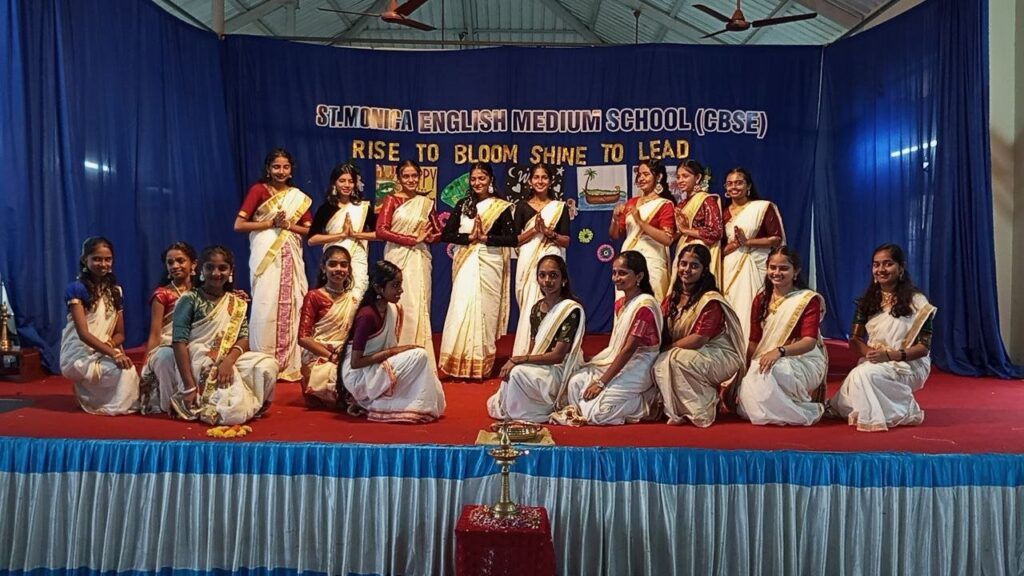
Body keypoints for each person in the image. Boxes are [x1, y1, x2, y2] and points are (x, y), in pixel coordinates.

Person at [830, 243, 937, 431]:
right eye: (876, 264)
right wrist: (871, 354)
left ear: (900, 268)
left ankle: (903, 410)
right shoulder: (867, 302)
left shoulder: (917, 302)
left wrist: (889, 356)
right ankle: (894, 408)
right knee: (857, 382)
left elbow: (923, 348)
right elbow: (855, 340)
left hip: (909, 364)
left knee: (863, 375)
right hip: (875, 360)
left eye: (888, 264)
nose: (881, 269)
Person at [168, 246, 279, 425]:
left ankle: (250, 403)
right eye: (210, 267)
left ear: (231, 271)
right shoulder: (189, 299)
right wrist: (189, 387)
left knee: (267, 364)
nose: (216, 273)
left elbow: (243, 337)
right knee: (232, 412)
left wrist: (228, 362)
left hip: (229, 357)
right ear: (201, 270)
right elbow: (179, 341)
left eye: (222, 268)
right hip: (198, 358)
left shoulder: (237, 302)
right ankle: (217, 402)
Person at [551, 251, 662, 426]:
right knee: (575, 383)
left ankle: (647, 402)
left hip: (640, 363)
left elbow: (628, 349)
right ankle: (592, 405)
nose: (616, 278)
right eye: (614, 272)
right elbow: (617, 346)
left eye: (622, 273)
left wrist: (601, 383)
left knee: (598, 414)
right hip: (617, 358)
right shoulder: (620, 304)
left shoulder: (644, 306)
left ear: (639, 276)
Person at [233, 148, 312, 382]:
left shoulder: (298, 196)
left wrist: (287, 225)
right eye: (276, 166)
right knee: (265, 303)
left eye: (285, 167)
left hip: (291, 255)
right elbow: (239, 225)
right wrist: (270, 223)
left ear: (291, 170)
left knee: (293, 302)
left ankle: (290, 363)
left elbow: (308, 230)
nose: (281, 171)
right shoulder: (258, 190)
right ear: (268, 168)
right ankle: (263, 361)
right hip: (266, 255)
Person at [339, 260, 446, 423]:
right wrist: (394, 352)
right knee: (420, 355)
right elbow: (355, 363)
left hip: (377, 367)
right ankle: (373, 401)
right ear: (378, 288)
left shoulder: (393, 309)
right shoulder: (367, 315)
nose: (401, 290)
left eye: (400, 284)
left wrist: (398, 352)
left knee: (420, 358)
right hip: (359, 375)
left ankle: (400, 403)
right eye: (395, 285)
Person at [438, 162, 518, 379]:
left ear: (490, 179)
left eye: (481, 178)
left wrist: (485, 238)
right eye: (473, 179)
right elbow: (447, 235)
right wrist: (469, 238)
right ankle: (457, 364)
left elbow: (512, 239)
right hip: (466, 263)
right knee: (461, 309)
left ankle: (481, 364)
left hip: (490, 263)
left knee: (485, 313)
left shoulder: (501, 207)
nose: (477, 183)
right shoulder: (463, 204)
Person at [652, 244, 744, 427]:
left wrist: (667, 349)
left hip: (719, 354)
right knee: (659, 361)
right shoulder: (673, 298)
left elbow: (699, 339)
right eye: (683, 264)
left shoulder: (710, 300)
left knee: (675, 360)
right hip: (690, 352)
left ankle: (703, 408)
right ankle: (677, 410)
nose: (687, 269)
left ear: (704, 270)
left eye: (694, 266)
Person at [733, 246, 827, 426]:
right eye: (772, 267)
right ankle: (783, 409)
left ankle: (799, 412)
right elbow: (754, 341)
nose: (776, 273)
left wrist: (780, 351)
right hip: (765, 359)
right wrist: (744, 371)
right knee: (754, 377)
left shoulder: (807, 299)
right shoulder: (761, 300)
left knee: (769, 372)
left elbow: (809, 342)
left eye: (783, 268)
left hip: (803, 360)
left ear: (796, 271)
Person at [487, 255, 585, 422]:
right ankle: (525, 408)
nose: (547, 281)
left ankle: (526, 414)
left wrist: (518, 360)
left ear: (563, 279)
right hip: (542, 365)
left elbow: (558, 356)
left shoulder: (570, 310)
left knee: (517, 372)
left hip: (560, 369)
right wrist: (522, 362)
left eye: (553, 275)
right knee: (512, 375)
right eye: (542, 275)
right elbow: (534, 348)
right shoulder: (536, 309)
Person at [59, 237, 140, 415]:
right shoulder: (76, 289)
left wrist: (109, 347)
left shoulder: (115, 292)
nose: (103, 264)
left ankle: (86, 395)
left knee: (127, 370)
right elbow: (83, 334)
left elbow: (120, 334)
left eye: (107, 259)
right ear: (84, 260)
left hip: (103, 349)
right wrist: (113, 353)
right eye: (96, 259)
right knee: (123, 373)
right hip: (78, 353)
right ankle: (96, 400)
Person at [375, 159, 440, 363]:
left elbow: (438, 232)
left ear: (419, 177)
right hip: (397, 257)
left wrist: (430, 238)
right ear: (399, 178)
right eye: (406, 176)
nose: (411, 180)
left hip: (419, 258)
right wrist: (412, 239)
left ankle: (419, 354)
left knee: (419, 304)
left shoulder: (426, 202)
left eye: (414, 176)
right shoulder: (391, 200)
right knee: (399, 303)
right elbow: (381, 230)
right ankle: (395, 355)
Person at [511, 163, 571, 356]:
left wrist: (548, 232)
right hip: (528, 262)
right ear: (530, 181)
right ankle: (526, 350)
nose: (540, 181)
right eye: (536, 177)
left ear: (550, 181)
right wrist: (535, 231)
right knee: (529, 303)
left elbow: (566, 241)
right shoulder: (521, 207)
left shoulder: (559, 208)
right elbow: (515, 240)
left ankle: (550, 350)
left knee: (550, 300)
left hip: (550, 259)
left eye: (544, 177)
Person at [720, 168, 784, 343]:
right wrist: (734, 245)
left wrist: (747, 242)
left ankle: (753, 346)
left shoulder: (762, 208)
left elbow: (776, 239)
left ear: (748, 186)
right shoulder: (722, 213)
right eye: (730, 183)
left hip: (755, 265)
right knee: (731, 305)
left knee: (753, 307)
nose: (734, 187)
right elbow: (718, 248)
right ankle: (732, 349)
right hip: (729, 268)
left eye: (739, 183)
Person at [297, 246, 360, 407]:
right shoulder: (314, 296)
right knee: (343, 378)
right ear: (323, 268)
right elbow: (303, 338)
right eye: (333, 264)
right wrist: (332, 356)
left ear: (349, 269)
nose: (339, 269)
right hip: (320, 356)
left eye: (343, 265)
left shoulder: (354, 300)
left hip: (345, 353)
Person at [139, 241, 197, 414]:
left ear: (193, 264)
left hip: (195, 342)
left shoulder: (202, 292)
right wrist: (146, 365)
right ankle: (169, 404)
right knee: (165, 356)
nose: (175, 266)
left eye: (180, 261)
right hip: (168, 344)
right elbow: (155, 333)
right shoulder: (162, 294)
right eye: (170, 262)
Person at [609, 159, 676, 303]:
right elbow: (615, 235)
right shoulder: (631, 202)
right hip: (627, 261)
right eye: (639, 175)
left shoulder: (665, 204)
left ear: (658, 177)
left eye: (646, 174)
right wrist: (615, 219)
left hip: (652, 261)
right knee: (625, 303)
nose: (641, 178)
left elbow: (667, 239)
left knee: (650, 303)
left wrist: (640, 221)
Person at [309, 162, 377, 299]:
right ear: (335, 183)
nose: (347, 185)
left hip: (357, 258)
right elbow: (312, 240)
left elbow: (379, 235)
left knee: (357, 294)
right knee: (334, 294)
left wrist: (355, 234)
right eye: (342, 181)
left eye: (350, 181)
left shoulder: (363, 208)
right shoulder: (326, 208)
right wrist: (341, 235)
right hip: (334, 259)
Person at [668, 159, 723, 292]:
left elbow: (715, 232)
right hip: (682, 251)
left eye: (685, 176)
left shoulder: (706, 200)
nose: (680, 180)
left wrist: (686, 230)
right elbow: (678, 232)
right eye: (678, 177)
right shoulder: (682, 204)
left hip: (699, 254)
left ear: (697, 178)